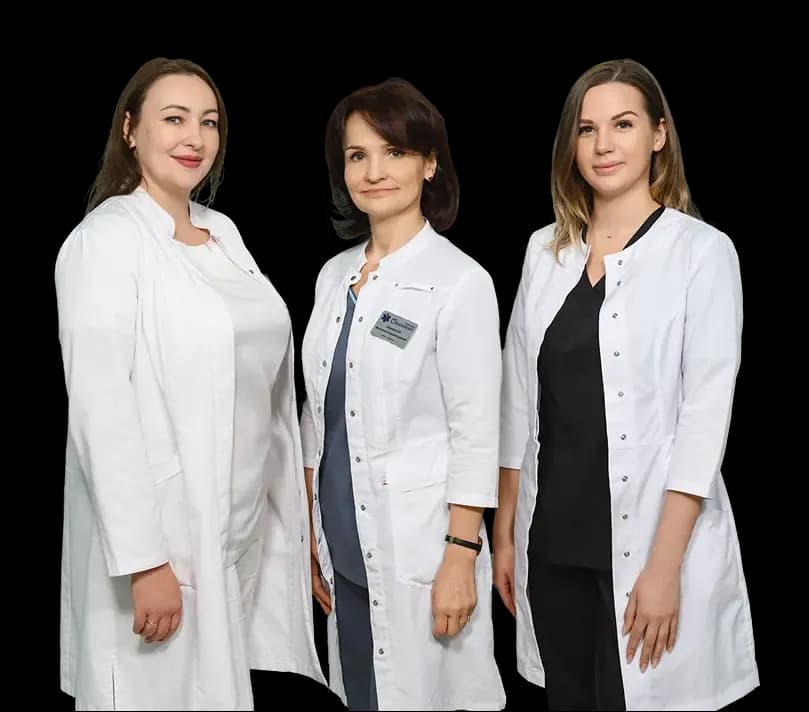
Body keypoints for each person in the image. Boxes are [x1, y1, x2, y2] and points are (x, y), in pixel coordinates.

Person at [54, 57, 325, 710]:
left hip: (232, 535)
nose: (194, 138)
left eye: (209, 123)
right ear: (130, 129)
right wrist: (145, 562)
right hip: (163, 545)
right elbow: (101, 410)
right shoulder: (105, 241)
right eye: (173, 118)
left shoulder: (222, 233)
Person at [494, 58, 759, 710]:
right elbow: (516, 403)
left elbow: (703, 421)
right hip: (551, 544)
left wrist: (664, 569)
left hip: (645, 546)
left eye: (623, 124)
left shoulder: (700, 253)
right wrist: (504, 534)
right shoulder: (543, 252)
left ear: (659, 134)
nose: (603, 145)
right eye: (587, 129)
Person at [298, 77, 506, 711]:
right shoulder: (333, 276)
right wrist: (309, 533)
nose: (374, 171)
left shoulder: (459, 282)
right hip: (342, 548)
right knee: (360, 693)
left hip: (419, 554)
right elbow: (315, 417)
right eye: (357, 155)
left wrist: (460, 557)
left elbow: (477, 432)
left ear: (429, 163)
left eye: (394, 152)